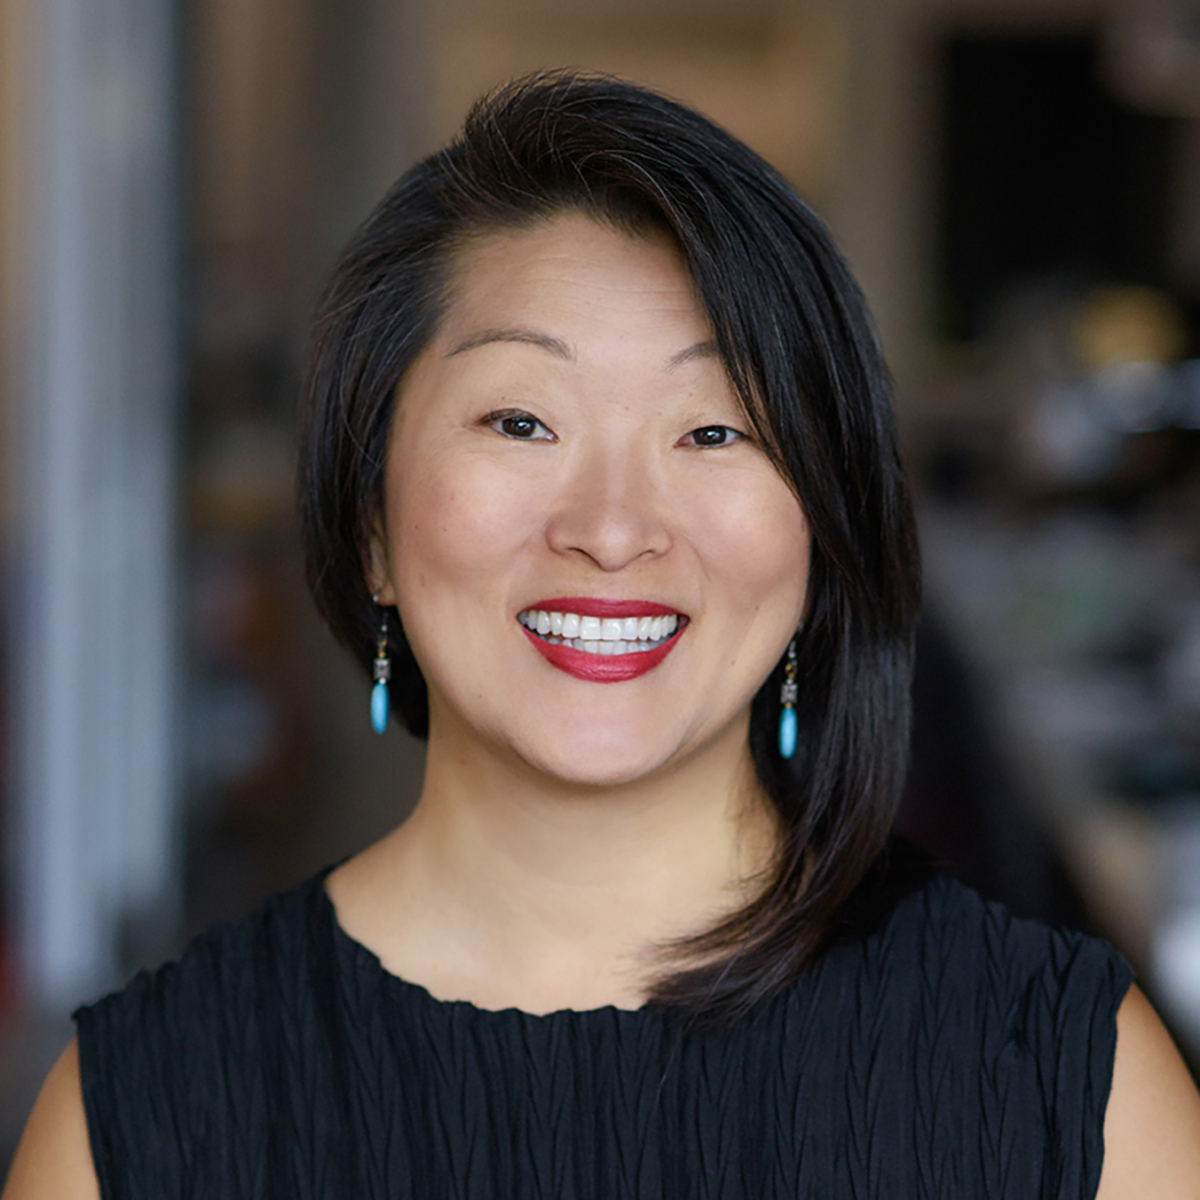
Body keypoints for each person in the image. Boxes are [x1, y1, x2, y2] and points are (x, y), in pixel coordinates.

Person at [6, 71, 1200, 1199]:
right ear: (370, 523)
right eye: (522, 422)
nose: (614, 529)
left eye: (715, 431)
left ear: (821, 535)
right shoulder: (143, 1116)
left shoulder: (1068, 1086)